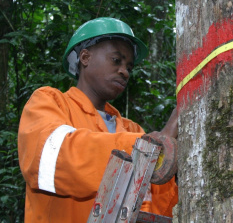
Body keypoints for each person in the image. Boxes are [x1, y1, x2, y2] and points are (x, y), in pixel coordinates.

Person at [17, 17, 178, 222]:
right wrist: (148, 148)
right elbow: (55, 160)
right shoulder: (50, 103)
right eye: (116, 60)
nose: (124, 72)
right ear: (85, 57)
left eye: (129, 66)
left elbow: (153, 206)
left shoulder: (132, 129)